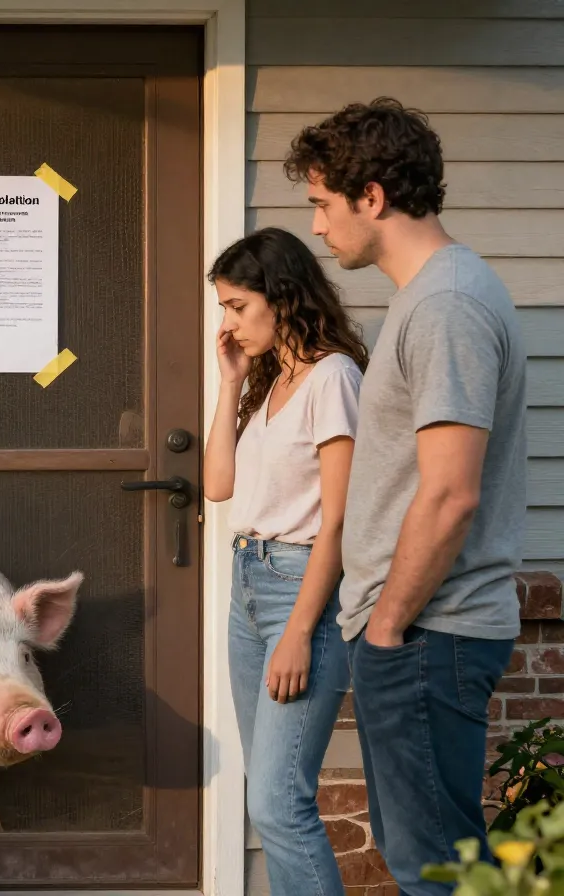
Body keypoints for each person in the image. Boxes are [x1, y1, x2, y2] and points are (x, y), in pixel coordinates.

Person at [283, 97, 527, 894]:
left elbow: (450, 493)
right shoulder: (431, 296)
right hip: (417, 629)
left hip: (426, 629)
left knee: (438, 872)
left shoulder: (447, 304)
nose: (318, 228)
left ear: (373, 197)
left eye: (322, 204)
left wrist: (387, 628)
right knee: (429, 857)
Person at [204, 226, 368, 896]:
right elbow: (218, 486)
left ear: (282, 296)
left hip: (302, 592)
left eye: (237, 306)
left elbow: (340, 520)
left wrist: (300, 630)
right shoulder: (270, 383)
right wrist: (230, 385)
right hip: (249, 585)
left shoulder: (334, 379)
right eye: (223, 308)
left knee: (279, 801)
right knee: (267, 797)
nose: (229, 322)